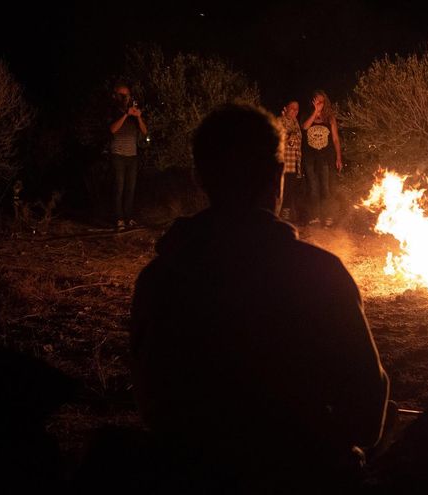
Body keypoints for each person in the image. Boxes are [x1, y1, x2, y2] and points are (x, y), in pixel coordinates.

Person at [130, 104, 390, 491]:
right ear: (277, 176)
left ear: (201, 178)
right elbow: (368, 416)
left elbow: (152, 402)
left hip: (191, 473)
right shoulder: (319, 274)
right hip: (297, 472)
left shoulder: (160, 277)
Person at [109, 83, 148, 231]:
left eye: (128, 95)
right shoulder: (114, 111)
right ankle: (119, 219)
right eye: (123, 95)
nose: (126, 98)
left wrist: (138, 117)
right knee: (118, 188)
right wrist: (125, 114)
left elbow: (144, 132)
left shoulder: (133, 113)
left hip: (132, 155)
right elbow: (112, 129)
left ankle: (128, 217)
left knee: (130, 189)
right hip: (118, 154)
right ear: (117, 96)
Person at [302, 89, 342, 228]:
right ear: (313, 101)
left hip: (325, 157)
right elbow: (305, 127)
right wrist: (315, 112)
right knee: (313, 187)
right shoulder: (307, 115)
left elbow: (336, 139)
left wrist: (338, 157)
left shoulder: (330, 118)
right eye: (317, 101)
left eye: (322, 101)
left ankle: (328, 217)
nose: (320, 104)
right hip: (310, 158)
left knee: (326, 187)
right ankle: (315, 217)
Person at [278, 99, 302, 222]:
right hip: (284, 161)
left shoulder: (295, 122)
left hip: (293, 163)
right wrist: (288, 136)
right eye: (292, 108)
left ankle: (286, 215)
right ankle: (280, 214)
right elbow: (278, 138)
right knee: (283, 189)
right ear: (286, 108)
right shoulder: (281, 121)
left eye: (297, 109)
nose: (294, 111)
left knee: (290, 189)